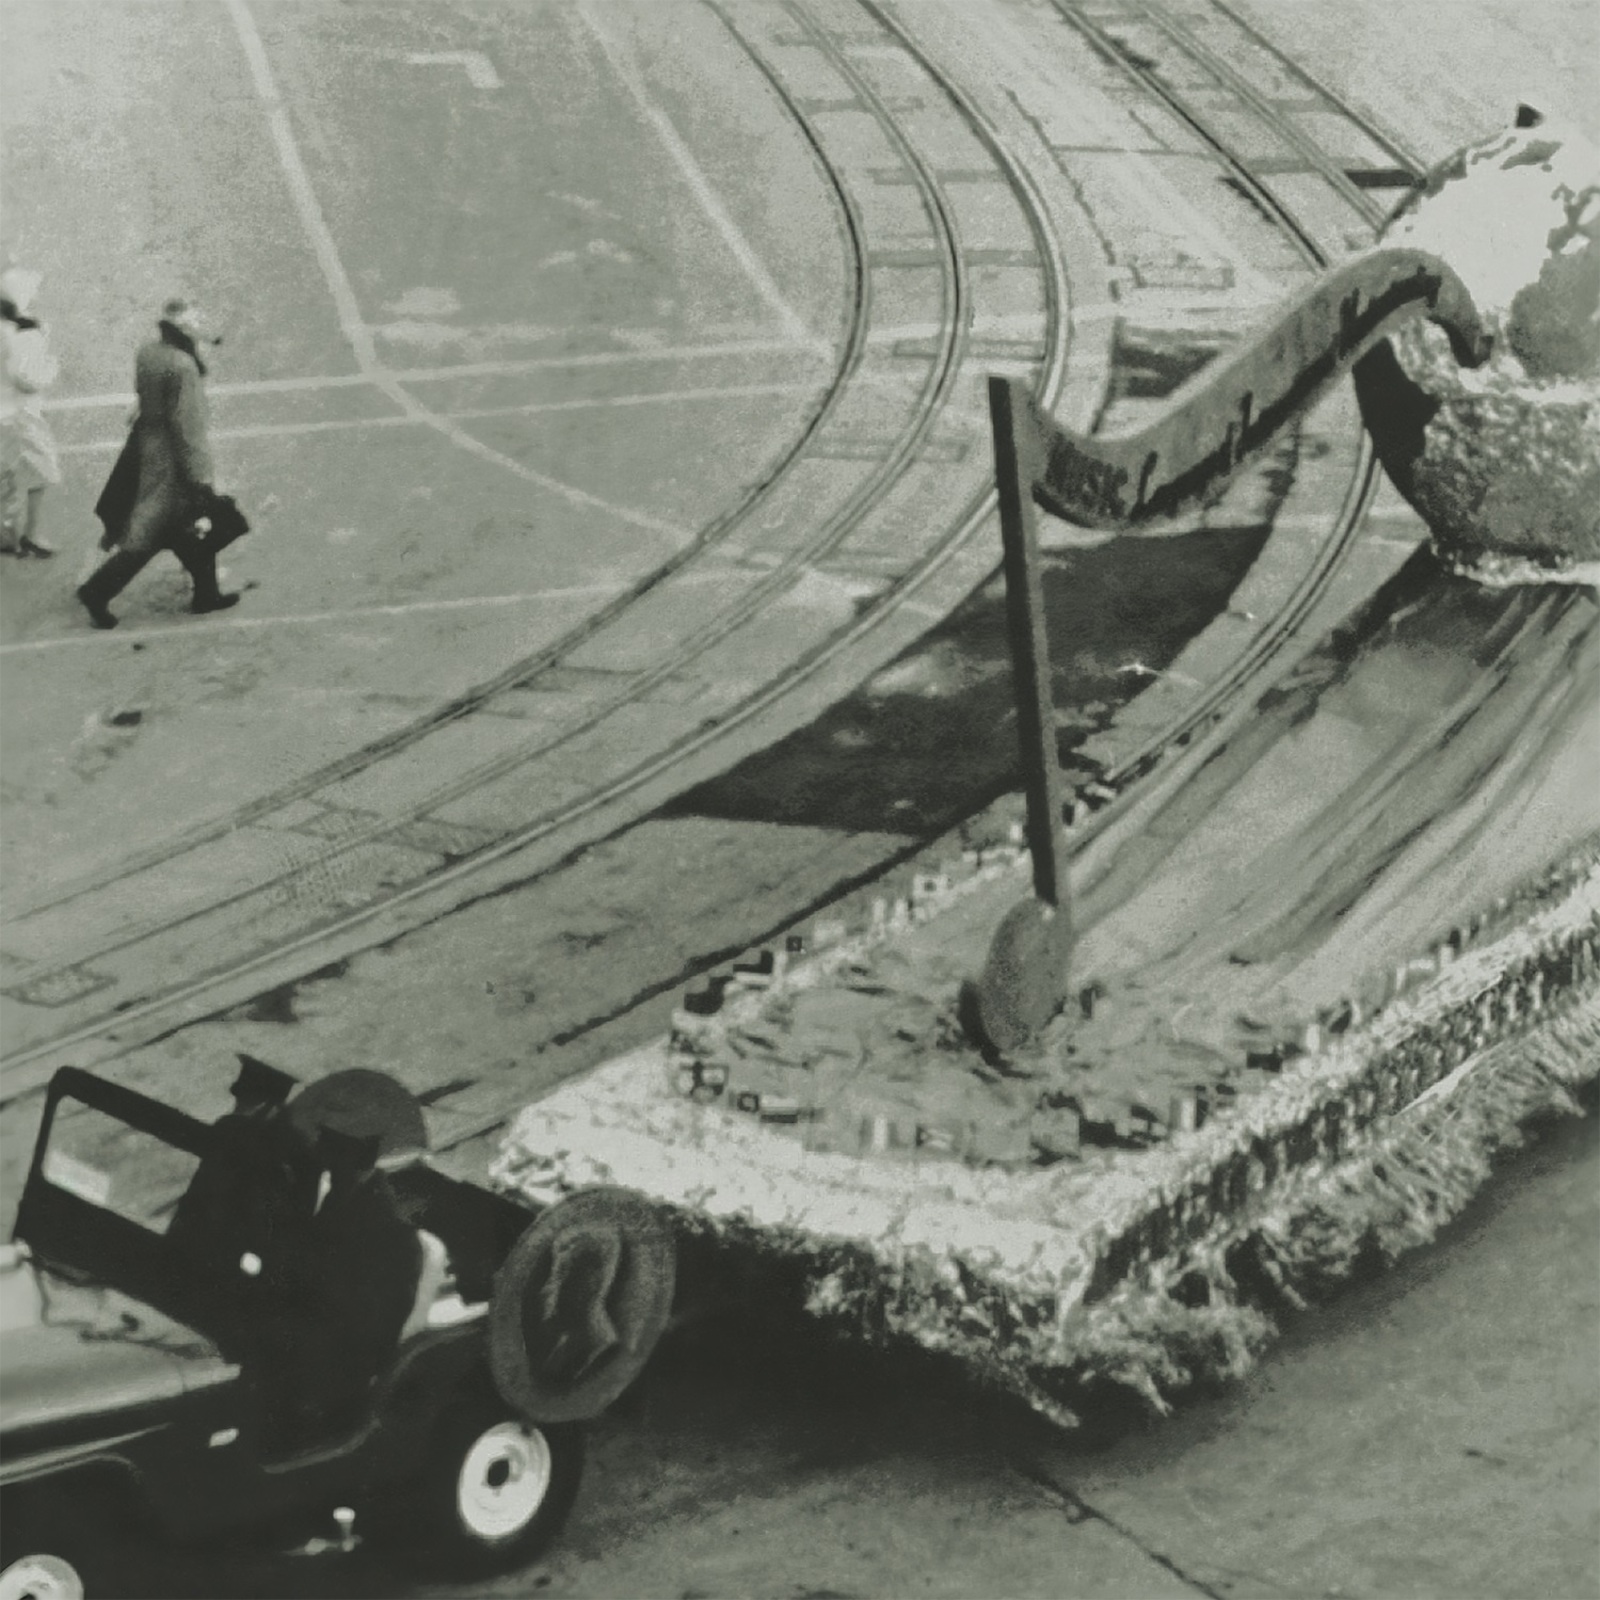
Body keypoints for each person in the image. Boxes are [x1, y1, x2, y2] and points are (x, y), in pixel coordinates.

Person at [76, 297, 241, 628]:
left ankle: (207, 593)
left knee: (181, 530)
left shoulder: (149, 352)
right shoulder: (184, 367)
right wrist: (201, 478)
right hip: (170, 463)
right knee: (162, 530)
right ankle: (97, 590)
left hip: (146, 448)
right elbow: (187, 427)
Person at [0, 265, 60, 558]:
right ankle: (30, 533)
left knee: (5, 476)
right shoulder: (20, 334)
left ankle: (6, 533)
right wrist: (50, 367)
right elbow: (26, 379)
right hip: (20, 415)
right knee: (39, 471)